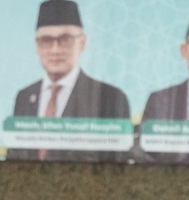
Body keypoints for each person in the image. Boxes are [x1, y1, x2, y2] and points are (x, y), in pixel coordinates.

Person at [8, 0, 130, 163]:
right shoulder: (24, 97)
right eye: (46, 40)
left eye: (65, 39)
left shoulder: (110, 97)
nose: (55, 50)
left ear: (82, 43)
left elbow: (116, 165)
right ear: (36, 46)